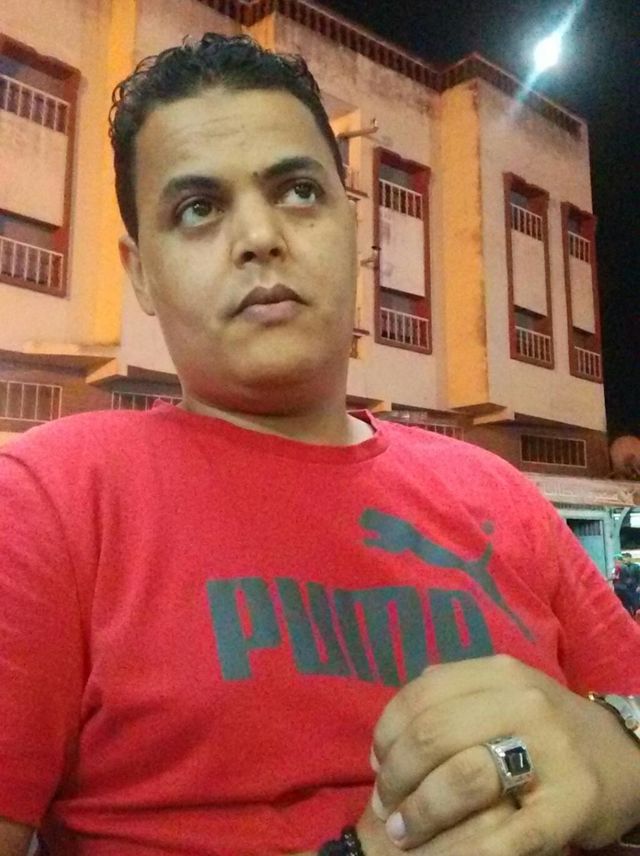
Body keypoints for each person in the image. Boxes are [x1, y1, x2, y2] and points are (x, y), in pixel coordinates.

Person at [0, 33, 639, 856]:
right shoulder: (47, 501)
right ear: (142, 274)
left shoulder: (497, 493)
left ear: (354, 230)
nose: (260, 236)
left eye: (299, 191)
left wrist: (618, 750)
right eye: (198, 209)